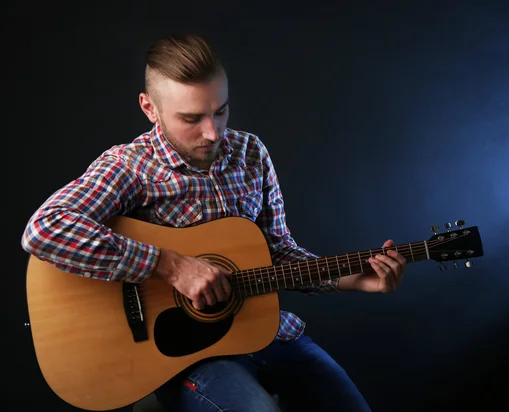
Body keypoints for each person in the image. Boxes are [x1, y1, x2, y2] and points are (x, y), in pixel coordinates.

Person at [21, 33, 407, 412]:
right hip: (184, 356)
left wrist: (353, 279)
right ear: (149, 108)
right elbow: (46, 229)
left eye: (220, 111)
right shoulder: (128, 166)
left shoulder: (251, 152)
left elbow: (278, 252)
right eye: (191, 118)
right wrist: (171, 267)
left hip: (268, 332)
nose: (212, 132)